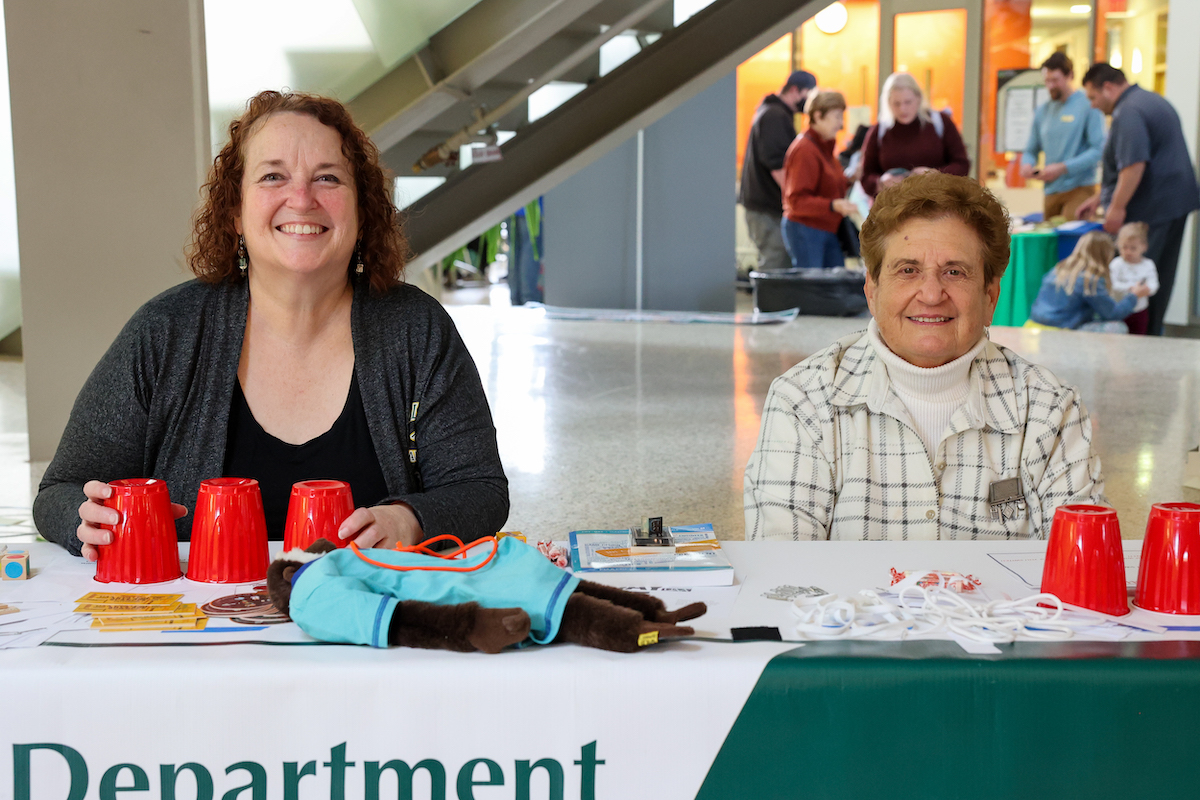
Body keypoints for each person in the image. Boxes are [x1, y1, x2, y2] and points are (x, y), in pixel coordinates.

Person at [33, 90, 509, 560]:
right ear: (236, 212)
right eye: (273, 176)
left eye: (327, 178)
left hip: (364, 621)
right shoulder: (165, 332)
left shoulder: (416, 329)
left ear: (362, 213)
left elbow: (480, 489)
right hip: (197, 630)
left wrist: (410, 518)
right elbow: (59, 491)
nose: (301, 199)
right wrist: (85, 519)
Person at [744, 172, 1108, 541]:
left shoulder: (1051, 409)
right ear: (872, 290)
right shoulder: (802, 402)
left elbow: (1080, 573)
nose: (932, 294)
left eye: (954, 272)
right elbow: (784, 577)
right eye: (908, 270)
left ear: (990, 297)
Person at [1077, 63, 1200, 336]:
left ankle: (1136, 339)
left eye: (1093, 98)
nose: (1094, 106)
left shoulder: (1128, 112)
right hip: (1173, 205)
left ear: (1108, 88)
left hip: (1150, 210)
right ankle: (1152, 334)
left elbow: (1134, 166)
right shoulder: (1152, 100)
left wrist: (1116, 208)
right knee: (1159, 276)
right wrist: (1100, 197)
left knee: (1134, 273)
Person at [738, 70, 818, 273]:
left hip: (766, 208)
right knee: (775, 266)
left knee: (778, 264)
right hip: (766, 210)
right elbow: (777, 165)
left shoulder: (772, 112)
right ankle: (770, 307)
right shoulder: (774, 115)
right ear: (794, 90)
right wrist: (797, 199)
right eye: (808, 94)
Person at [1018, 53, 1105, 220]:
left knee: (1070, 238)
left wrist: (1063, 168)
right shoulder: (1043, 111)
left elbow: (1098, 150)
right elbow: (1030, 149)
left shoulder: (1089, 105)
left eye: (1055, 80)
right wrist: (1027, 164)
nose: (1050, 86)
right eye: (1047, 81)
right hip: (1051, 191)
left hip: (1080, 187)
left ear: (1070, 76)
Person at [859, 72, 970, 197]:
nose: (903, 109)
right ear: (888, 103)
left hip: (936, 203)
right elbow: (865, 176)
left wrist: (936, 174)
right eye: (897, 103)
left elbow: (962, 165)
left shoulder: (940, 123)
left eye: (908, 102)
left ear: (918, 99)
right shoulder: (879, 131)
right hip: (893, 207)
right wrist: (881, 182)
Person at [780, 91, 856, 269]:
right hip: (806, 229)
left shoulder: (825, 148)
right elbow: (796, 201)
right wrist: (833, 205)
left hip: (826, 228)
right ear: (818, 116)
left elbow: (828, 185)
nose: (841, 124)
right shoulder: (805, 150)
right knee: (812, 289)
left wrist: (850, 179)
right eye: (837, 117)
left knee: (833, 286)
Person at [1027, 231, 1150, 333]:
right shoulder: (1090, 280)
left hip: (1034, 326)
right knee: (1117, 327)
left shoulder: (1058, 269)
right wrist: (1134, 296)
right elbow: (1112, 313)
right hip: (1061, 331)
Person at [1108, 222, 1159, 335]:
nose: (1128, 252)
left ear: (1144, 247)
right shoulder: (1116, 264)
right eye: (1124, 247)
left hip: (1140, 310)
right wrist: (1133, 290)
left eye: (1133, 248)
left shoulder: (1148, 264)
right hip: (1120, 309)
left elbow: (1154, 284)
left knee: (1138, 337)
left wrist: (1147, 290)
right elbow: (1112, 284)